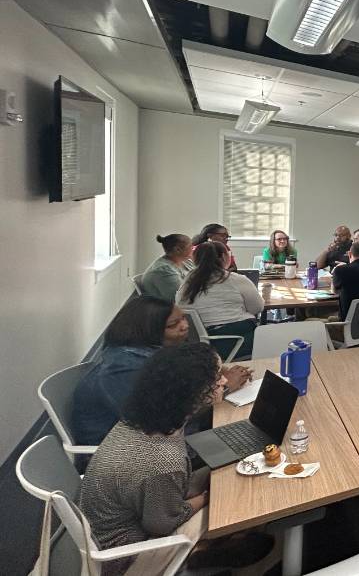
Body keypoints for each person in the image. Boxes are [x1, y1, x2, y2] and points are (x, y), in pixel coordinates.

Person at [79, 344, 270, 576]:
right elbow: (161, 524)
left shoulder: (140, 421)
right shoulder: (163, 460)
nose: (223, 381)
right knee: (229, 502)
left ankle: (209, 545)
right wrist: (208, 498)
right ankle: (199, 552)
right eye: (216, 377)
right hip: (126, 556)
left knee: (223, 470)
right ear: (191, 392)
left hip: (118, 518)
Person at [70, 297, 247, 446]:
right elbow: (164, 419)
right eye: (173, 324)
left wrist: (211, 372)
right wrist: (225, 387)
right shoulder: (124, 369)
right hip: (131, 455)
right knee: (239, 442)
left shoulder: (152, 351)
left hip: (160, 441)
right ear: (149, 331)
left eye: (184, 318)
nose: (185, 326)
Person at [177, 241, 264, 360]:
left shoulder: (187, 281)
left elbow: (179, 305)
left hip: (197, 342)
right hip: (232, 341)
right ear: (224, 256)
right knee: (275, 337)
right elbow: (257, 308)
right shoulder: (235, 279)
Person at [140, 234, 194, 302]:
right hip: (170, 308)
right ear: (177, 249)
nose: (193, 248)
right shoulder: (162, 270)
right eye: (190, 246)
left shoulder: (185, 260)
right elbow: (179, 298)